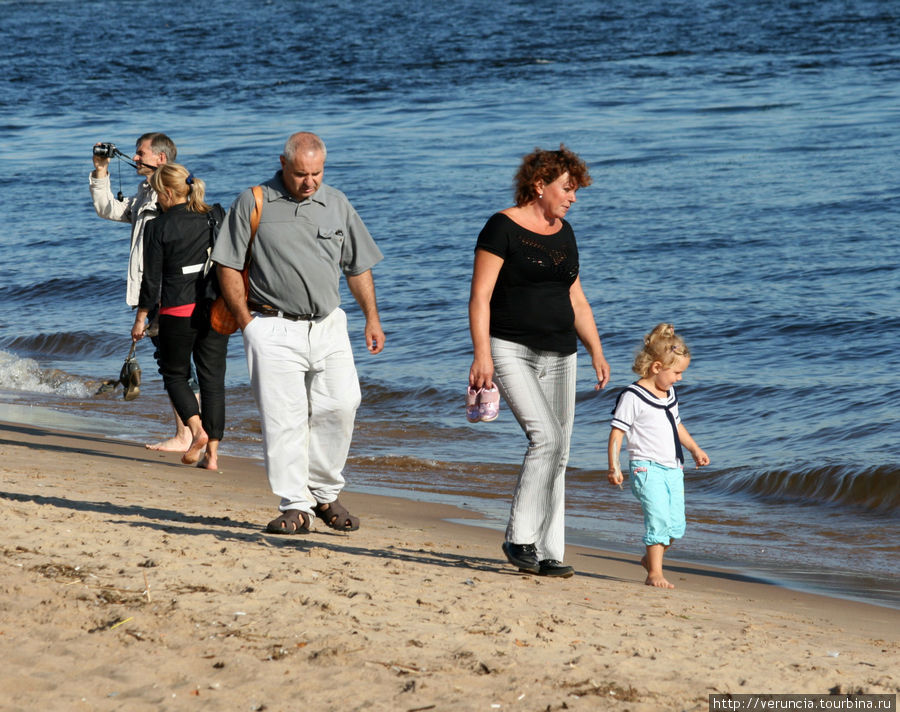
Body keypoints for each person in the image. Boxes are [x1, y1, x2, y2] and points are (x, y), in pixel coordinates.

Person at [212, 131, 385, 535]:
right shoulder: (253, 201)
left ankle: (324, 493)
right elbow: (227, 264)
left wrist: (371, 318)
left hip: (328, 325)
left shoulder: (336, 202)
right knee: (284, 419)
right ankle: (295, 506)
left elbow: (357, 266)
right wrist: (246, 322)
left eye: (317, 173)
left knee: (342, 405)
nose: (310, 182)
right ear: (283, 164)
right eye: (301, 174)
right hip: (270, 326)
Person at [468, 145, 610, 578]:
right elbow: (480, 296)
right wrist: (481, 354)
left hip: (562, 353)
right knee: (546, 438)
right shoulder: (501, 228)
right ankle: (519, 538)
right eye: (567, 188)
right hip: (510, 348)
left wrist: (596, 349)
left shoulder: (565, 232)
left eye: (575, 189)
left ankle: (548, 551)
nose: (573, 197)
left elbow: (577, 298)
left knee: (560, 451)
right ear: (539, 185)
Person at [90, 132, 196, 452]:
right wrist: (100, 170)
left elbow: (170, 253)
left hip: (169, 294)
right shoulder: (147, 193)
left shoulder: (173, 195)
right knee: (176, 364)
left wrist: (146, 310)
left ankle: (187, 435)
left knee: (175, 367)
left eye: (140, 153)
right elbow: (109, 208)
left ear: (160, 159)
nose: (135, 158)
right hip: (161, 294)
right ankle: (196, 432)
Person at [131, 164, 229, 470]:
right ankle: (212, 457)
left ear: (168, 192)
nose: (157, 200)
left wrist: (142, 317)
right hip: (214, 309)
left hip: (177, 310)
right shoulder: (215, 214)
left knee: (174, 374)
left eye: (158, 194)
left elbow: (151, 280)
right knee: (213, 381)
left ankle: (196, 431)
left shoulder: (158, 226)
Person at [607, 323, 710, 589]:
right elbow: (617, 433)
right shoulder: (632, 396)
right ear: (656, 368)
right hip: (646, 468)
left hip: (673, 468)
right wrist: (614, 466)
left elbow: (676, 425)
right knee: (658, 519)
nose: (680, 378)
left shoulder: (668, 393)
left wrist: (694, 448)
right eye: (676, 372)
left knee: (676, 526)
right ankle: (654, 573)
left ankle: (650, 560)